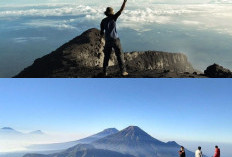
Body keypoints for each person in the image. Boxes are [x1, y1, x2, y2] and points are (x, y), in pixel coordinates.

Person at [100, 0, 128, 76]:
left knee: (106, 57)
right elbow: (121, 10)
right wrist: (124, 2)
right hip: (115, 40)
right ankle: (123, 71)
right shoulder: (114, 17)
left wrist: (102, 40)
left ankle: (104, 72)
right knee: (119, 55)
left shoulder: (103, 21)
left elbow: (102, 32)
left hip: (108, 40)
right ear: (111, 12)